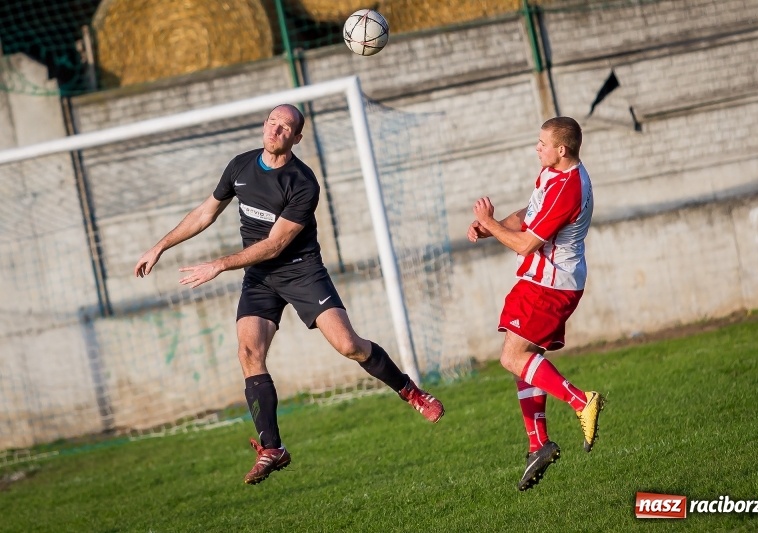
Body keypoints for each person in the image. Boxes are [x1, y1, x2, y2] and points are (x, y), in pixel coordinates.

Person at [134, 104, 444, 485]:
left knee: (349, 346)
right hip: (260, 277)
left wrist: (219, 264)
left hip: (300, 270)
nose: (277, 130)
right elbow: (205, 213)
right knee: (248, 352)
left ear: (297, 138)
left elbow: (276, 244)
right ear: (264, 125)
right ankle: (272, 448)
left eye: (287, 127)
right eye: (273, 123)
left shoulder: (303, 183)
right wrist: (160, 246)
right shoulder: (240, 166)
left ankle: (410, 391)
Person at [467, 116, 604, 491]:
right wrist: (489, 225)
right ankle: (538, 444)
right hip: (543, 280)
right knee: (523, 362)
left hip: (550, 283)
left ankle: (581, 400)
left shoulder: (570, 188)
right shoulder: (552, 175)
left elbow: (527, 242)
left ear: (562, 150)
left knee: (512, 357)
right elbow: (529, 215)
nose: (537, 147)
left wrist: (489, 222)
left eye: (542, 143)